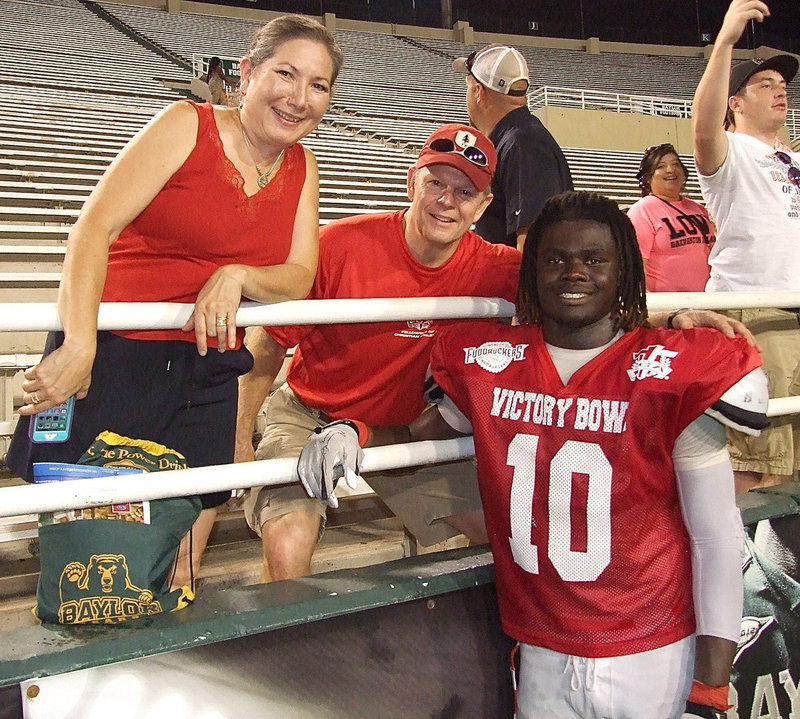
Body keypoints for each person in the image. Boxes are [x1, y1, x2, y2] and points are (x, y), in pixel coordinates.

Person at [298, 191, 769, 719]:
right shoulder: (491, 363)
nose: (573, 273)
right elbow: (419, 438)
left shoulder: (671, 367)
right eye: (555, 259)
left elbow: (716, 537)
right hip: (541, 651)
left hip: (652, 650)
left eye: (594, 259)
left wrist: (709, 686)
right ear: (532, 270)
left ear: (625, 271)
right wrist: (356, 431)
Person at [7, 14, 343, 589]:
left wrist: (238, 274)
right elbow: (92, 230)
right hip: (116, 356)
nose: (299, 98)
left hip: (207, 366)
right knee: (93, 551)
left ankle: (169, 648)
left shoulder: (302, 164)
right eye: (286, 74)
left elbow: (298, 275)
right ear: (248, 73)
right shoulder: (186, 125)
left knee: (185, 537)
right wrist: (81, 343)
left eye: (318, 85)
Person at [235, 123, 520, 582]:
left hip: (401, 430)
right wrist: (239, 436)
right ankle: (285, 651)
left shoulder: (497, 268)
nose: (447, 201)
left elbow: (586, 291)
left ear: (484, 205)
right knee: (288, 544)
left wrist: (675, 317)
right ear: (412, 181)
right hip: (311, 414)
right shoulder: (341, 246)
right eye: (436, 183)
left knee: (507, 536)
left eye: (465, 192)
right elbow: (267, 344)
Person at [692, 0, 800, 493]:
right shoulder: (730, 151)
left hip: (793, 310)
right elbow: (703, 124)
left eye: (783, 87)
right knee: (753, 463)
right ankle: (733, 567)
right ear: (736, 102)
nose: (780, 93)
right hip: (756, 309)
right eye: (765, 85)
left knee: (789, 462)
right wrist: (726, 41)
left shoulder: (790, 156)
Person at [453, 44, 573, 250]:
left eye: (468, 87)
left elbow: (534, 244)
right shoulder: (517, 137)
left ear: (478, 92)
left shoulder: (524, 143)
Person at [627, 143, 716, 291]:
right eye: (661, 166)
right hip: (668, 307)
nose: (670, 170)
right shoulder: (642, 211)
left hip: (708, 302)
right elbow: (634, 267)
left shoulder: (699, 209)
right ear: (648, 177)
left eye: (675, 164)